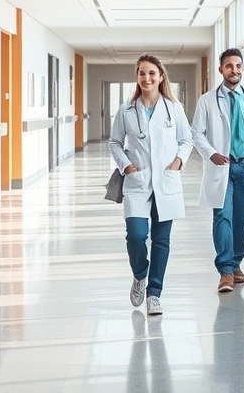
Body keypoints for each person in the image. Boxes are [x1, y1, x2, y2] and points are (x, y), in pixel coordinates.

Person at [108, 55, 193, 316]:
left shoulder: (173, 108)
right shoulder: (126, 110)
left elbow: (186, 140)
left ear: (161, 76)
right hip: (138, 181)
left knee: (161, 240)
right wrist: (127, 166)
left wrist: (179, 161)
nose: (147, 78)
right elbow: (114, 142)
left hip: (166, 181)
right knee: (135, 234)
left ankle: (154, 294)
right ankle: (139, 273)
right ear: (137, 77)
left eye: (152, 73)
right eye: (142, 73)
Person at [192, 48, 244, 293]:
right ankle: (226, 270)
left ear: (243, 68)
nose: (234, 70)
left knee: (241, 218)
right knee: (222, 216)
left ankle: (236, 262)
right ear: (221, 70)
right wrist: (211, 153)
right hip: (222, 167)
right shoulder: (207, 100)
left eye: (238, 66)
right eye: (229, 66)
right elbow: (197, 133)